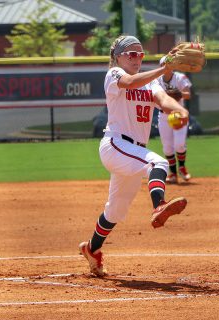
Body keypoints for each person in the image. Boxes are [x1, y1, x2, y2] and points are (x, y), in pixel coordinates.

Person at [79, 35, 189, 277]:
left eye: (140, 54)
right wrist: (164, 68)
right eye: (131, 53)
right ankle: (159, 206)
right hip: (115, 145)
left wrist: (179, 109)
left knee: (116, 211)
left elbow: (163, 100)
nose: (137, 58)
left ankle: (92, 249)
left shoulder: (152, 84)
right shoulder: (114, 74)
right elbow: (129, 83)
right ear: (118, 56)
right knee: (157, 162)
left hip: (132, 152)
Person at [157, 56, 193, 184]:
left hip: (178, 114)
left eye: (169, 64)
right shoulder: (156, 80)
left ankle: (182, 167)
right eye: (164, 64)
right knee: (167, 147)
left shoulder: (179, 77)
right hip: (163, 115)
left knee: (179, 144)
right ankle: (172, 173)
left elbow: (188, 94)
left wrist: (178, 93)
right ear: (160, 66)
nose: (166, 67)